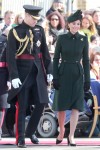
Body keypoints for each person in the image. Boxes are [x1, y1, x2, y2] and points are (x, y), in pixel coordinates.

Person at [6, 5, 52, 148]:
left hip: (38, 72)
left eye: (37, 19)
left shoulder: (39, 30)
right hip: (22, 72)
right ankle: (21, 138)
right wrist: (13, 76)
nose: (35, 21)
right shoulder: (15, 31)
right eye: (33, 18)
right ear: (26, 15)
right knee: (22, 105)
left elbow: (45, 52)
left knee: (42, 102)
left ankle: (30, 131)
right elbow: (10, 56)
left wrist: (49, 71)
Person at [52, 10, 90, 146]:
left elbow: (86, 61)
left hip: (77, 75)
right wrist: (55, 77)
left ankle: (71, 135)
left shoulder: (84, 39)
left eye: (78, 24)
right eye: (74, 24)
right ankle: (61, 131)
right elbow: (56, 59)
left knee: (76, 107)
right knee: (61, 106)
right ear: (68, 24)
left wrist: (87, 80)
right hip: (63, 73)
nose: (76, 26)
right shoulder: (61, 38)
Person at [0, 28, 11, 140]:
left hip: (3, 73)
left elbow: (11, 62)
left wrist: (10, 78)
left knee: (3, 105)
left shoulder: (8, 42)